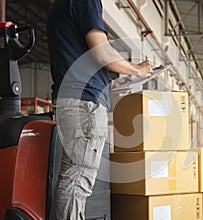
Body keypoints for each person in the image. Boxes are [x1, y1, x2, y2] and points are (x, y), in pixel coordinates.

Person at [47, 0, 153, 219]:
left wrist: (118, 82)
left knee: (72, 176)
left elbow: (84, 62)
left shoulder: (61, 5)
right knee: (78, 179)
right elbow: (103, 53)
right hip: (83, 105)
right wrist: (138, 69)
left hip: (75, 100)